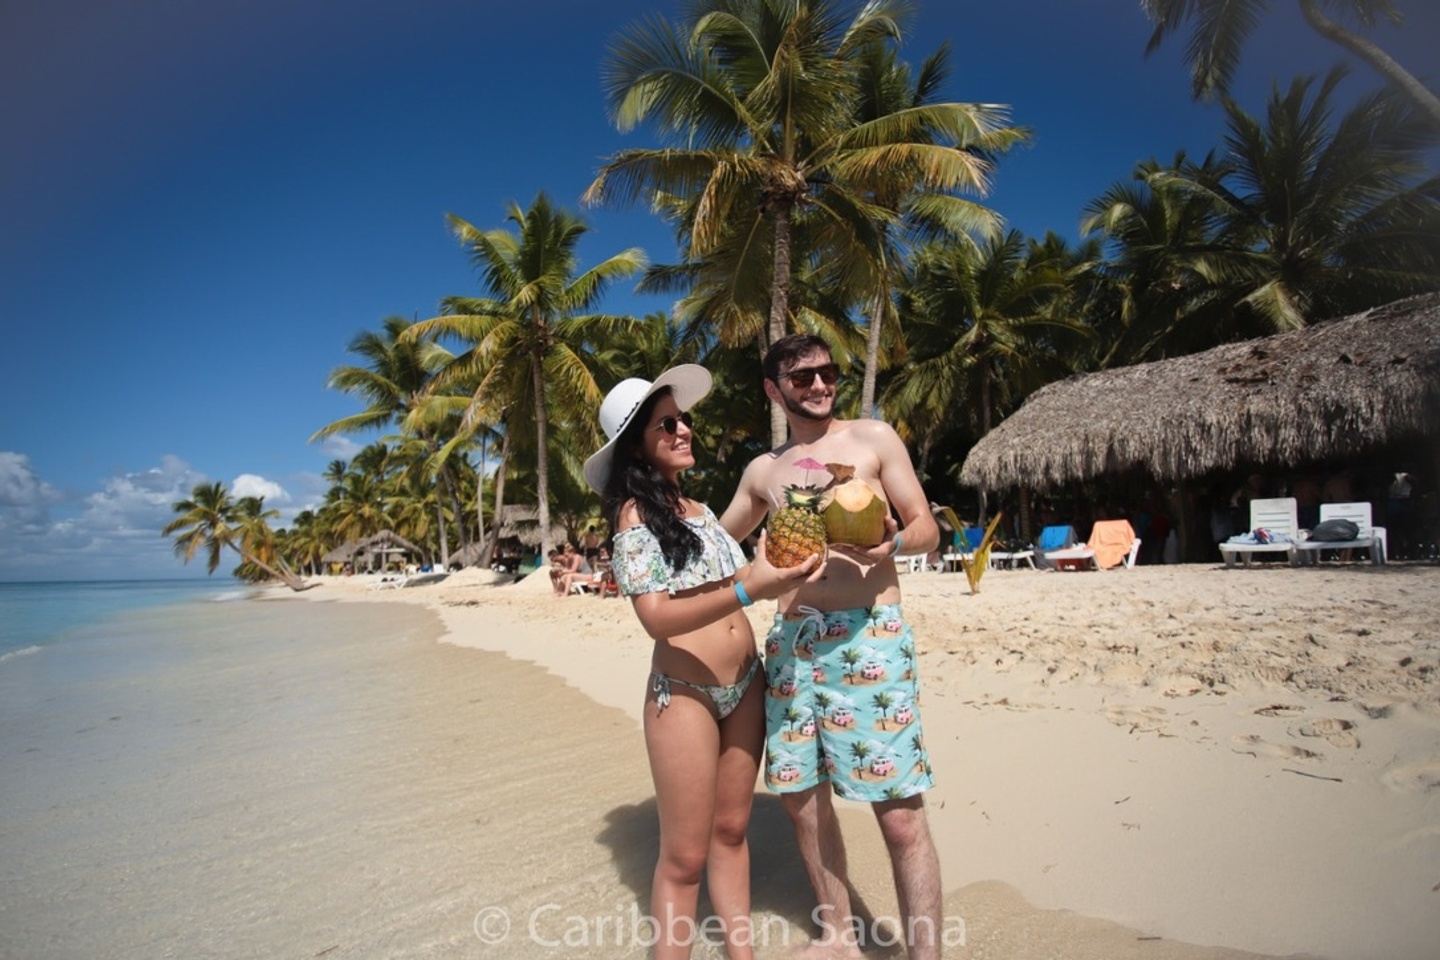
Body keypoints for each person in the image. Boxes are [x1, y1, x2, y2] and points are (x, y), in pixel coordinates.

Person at [584, 365, 824, 960]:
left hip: (745, 687)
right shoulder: (633, 516)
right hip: (684, 694)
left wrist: (780, 569)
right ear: (637, 443)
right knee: (684, 858)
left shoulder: (700, 509)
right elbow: (657, 617)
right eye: (668, 423)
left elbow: (741, 574)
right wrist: (752, 588)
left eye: (684, 418)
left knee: (731, 833)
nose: (685, 429)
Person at [720, 335, 944, 960]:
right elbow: (714, 539)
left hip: (868, 637)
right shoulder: (764, 471)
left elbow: (925, 526)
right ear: (774, 390)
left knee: (899, 816)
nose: (819, 386)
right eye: (801, 378)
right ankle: (839, 937)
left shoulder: (874, 439)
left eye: (827, 373)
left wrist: (892, 547)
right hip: (792, 645)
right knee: (801, 803)